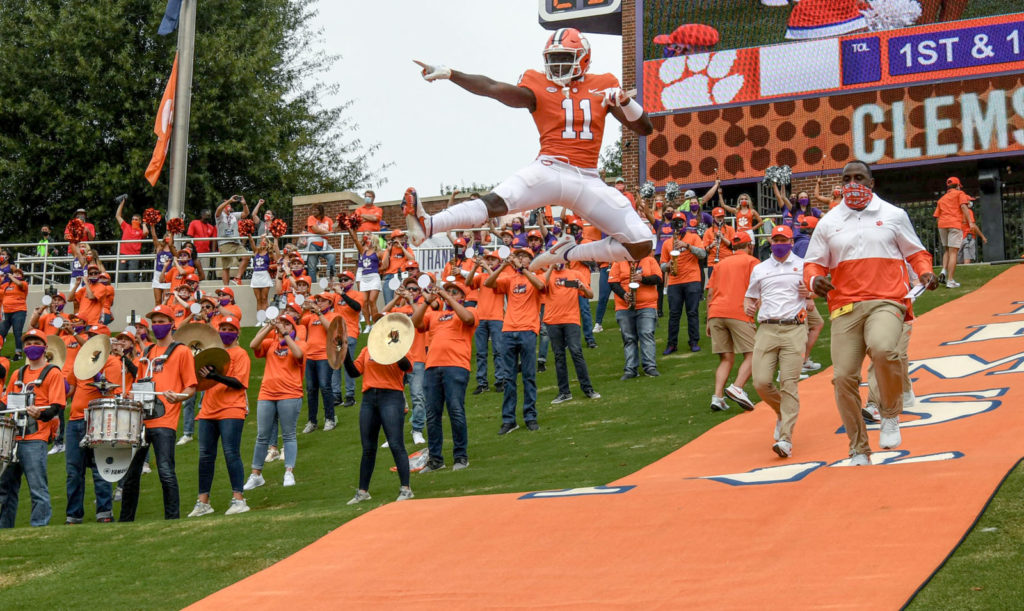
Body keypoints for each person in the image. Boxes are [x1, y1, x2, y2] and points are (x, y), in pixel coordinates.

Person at [408, 28, 654, 271]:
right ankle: (428, 225)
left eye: (564, 58)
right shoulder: (538, 83)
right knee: (496, 201)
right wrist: (452, 74)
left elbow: (645, 128)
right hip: (549, 168)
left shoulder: (604, 84)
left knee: (642, 244)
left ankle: (568, 252)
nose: (557, 65)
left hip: (588, 178)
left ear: (584, 58)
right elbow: (493, 87)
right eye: (553, 58)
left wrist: (624, 100)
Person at [804, 160, 937, 465]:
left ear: (872, 183)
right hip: (845, 306)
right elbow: (813, 263)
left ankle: (889, 413)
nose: (853, 184)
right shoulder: (829, 221)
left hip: (887, 300)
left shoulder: (893, 215)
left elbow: (916, 253)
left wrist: (925, 272)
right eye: (847, 179)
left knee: (883, 349)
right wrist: (814, 280)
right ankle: (858, 447)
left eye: (859, 178)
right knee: (843, 378)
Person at [118, 306, 196, 522]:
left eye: (162, 321)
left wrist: (179, 397)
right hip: (142, 421)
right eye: (155, 321)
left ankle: (172, 519)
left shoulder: (181, 351)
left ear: (172, 323)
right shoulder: (147, 353)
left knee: (165, 471)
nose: (157, 325)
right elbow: (139, 383)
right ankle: (125, 521)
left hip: (165, 420)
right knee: (131, 475)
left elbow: (191, 386)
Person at [744, 226, 809, 458]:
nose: (779, 243)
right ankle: (782, 412)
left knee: (789, 384)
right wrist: (748, 307)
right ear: (770, 242)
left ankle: (786, 439)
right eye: (776, 240)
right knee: (761, 382)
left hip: (794, 328)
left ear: (791, 242)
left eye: (784, 239)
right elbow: (750, 296)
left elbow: (815, 293)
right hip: (767, 328)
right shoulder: (760, 269)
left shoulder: (802, 266)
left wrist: (808, 292)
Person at [65, 325, 135, 523]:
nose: (92, 340)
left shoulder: (112, 362)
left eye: (96, 337)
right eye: (90, 337)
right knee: (73, 470)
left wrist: (97, 376)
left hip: (99, 419)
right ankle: (73, 514)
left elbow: (111, 391)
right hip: (75, 419)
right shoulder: (81, 361)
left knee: (99, 467)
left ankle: (104, 512)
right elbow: (69, 389)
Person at [0, 329, 66, 528]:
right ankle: (5, 528)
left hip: (35, 438)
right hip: (12, 439)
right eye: (27, 343)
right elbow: (5, 403)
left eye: (35, 342)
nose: (31, 347)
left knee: (37, 488)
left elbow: (57, 406)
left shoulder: (53, 372)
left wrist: (40, 414)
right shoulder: (18, 374)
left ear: (45, 347)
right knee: (5, 488)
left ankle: (39, 526)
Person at [187, 316, 252, 517]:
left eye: (229, 328)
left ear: (237, 333)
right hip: (208, 408)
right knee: (205, 456)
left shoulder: (240, 354)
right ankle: (203, 501)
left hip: (232, 407)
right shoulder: (212, 354)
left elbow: (238, 383)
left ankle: (239, 499)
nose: (226, 331)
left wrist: (215, 376)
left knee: (231, 452)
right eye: (222, 327)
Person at [412, 279, 477, 472]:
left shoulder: (471, 310)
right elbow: (416, 323)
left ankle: (461, 456)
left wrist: (447, 297)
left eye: (455, 292)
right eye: (448, 291)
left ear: (463, 297)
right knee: (432, 415)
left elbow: (467, 319)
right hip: (432, 366)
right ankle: (436, 460)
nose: (449, 294)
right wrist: (425, 302)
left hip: (456, 366)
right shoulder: (435, 314)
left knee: (456, 410)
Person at [343, 342, 415, 505]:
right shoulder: (367, 349)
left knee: (396, 444)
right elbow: (354, 372)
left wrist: (395, 348)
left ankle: (406, 488)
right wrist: (345, 352)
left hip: (391, 396)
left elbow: (407, 366)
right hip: (369, 398)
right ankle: (362, 491)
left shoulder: (401, 347)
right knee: (368, 447)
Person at [485, 248, 545, 434]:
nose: (520, 259)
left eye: (524, 256)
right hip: (509, 330)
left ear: (530, 260)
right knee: (508, 378)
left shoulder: (537, 276)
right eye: (518, 256)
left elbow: (541, 287)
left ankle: (530, 416)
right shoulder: (510, 279)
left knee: (529, 376)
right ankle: (509, 420)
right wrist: (503, 266)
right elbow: (488, 283)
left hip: (528, 330)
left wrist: (523, 269)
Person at [245, 313, 306, 489]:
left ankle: (289, 472)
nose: (283, 326)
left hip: (290, 393)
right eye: (282, 323)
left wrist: (285, 334)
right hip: (267, 394)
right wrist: (269, 327)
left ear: (293, 328)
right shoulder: (271, 343)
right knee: (262, 436)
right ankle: (256, 474)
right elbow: (253, 344)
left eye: (288, 324)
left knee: (289, 434)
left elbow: (298, 354)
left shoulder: (300, 343)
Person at [706, 233, 759, 411]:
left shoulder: (720, 264)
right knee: (754, 353)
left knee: (726, 358)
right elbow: (761, 287)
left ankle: (718, 397)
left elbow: (710, 293)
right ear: (749, 245)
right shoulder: (752, 262)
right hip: (738, 311)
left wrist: (708, 319)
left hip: (716, 312)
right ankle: (737, 387)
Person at [543, 263, 599, 404]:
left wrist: (582, 287)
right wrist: (549, 269)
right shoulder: (547, 275)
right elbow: (540, 287)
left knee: (576, 352)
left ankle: (588, 389)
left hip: (571, 319)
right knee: (558, 356)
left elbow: (590, 294)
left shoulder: (575, 274)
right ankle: (564, 392)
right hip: (552, 320)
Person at [383, 277, 429, 445]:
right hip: (397, 358)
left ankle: (417, 430)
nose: (411, 291)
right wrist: (396, 297)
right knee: (394, 399)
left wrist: (412, 301)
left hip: (416, 358)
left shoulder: (423, 306)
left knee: (418, 397)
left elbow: (420, 321)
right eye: (408, 288)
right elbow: (380, 315)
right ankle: (393, 434)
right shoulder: (397, 308)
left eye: (414, 289)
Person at [608, 253, 662, 379]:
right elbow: (613, 282)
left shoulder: (649, 260)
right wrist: (624, 295)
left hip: (647, 304)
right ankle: (630, 369)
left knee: (646, 334)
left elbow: (658, 279)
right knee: (628, 338)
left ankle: (650, 367)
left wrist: (642, 278)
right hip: (624, 306)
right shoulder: (619, 260)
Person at [661, 217, 706, 354]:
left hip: (692, 279)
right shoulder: (667, 243)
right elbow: (662, 265)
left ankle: (694, 341)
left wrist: (687, 246)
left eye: (681, 222)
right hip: (674, 281)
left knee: (692, 312)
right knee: (674, 314)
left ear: (685, 224)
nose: (678, 225)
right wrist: (668, 265)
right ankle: (671, 344)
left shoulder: (693, 237)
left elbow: (703, 254)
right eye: (675, 222)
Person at [468, 250, 508, 394]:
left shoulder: (503, 275)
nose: (489, 261)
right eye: (488, 259)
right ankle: (482, 382)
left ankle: (500, 380)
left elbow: (495, 282)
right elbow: (468, 283)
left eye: (493, 259)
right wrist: (474, 267)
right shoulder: (481, 276)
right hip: (481, 317)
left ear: (499, 262)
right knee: (481, 353)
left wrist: (487, 267)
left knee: (498, 351)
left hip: (497, 317)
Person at [300, 292, 340, 433]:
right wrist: (304, 307)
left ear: (330, 303)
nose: (319, 303)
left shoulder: (333, 316)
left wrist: (319, 314)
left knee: (325, 387)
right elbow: (297, 321)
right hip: (310, 356)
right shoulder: (310, 317)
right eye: (318, 300)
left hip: (324, 355)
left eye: (323, 301)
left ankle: (330, 418)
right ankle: (312, 421)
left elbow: (331, 329)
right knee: (311, 390)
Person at [934, 177, 974, 288]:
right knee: (953, 252)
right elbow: (964, 207)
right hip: (954, 224)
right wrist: (970, 222)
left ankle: (943, 271)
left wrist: (941, 226)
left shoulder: (941, 199)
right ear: (957, 186)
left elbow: (937, 215)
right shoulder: (959, 194)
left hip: (942, 225)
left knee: (946, 250)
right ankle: (950, 280)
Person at [332, 271, 364, 407]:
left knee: (348, 365)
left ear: (352, 281)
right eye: (341, 280)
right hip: (336, 334)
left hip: (350, 333)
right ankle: (336, 396)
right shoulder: (335, 296)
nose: (342, 282)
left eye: (345, 280)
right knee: (335, 365)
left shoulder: (358, 294)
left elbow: (357, 307)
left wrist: (342, 294)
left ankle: (350, 395)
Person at [346, 225, 382, 328]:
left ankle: (375, 324)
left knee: (372, 301)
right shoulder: (363, 251)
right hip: (364, 278)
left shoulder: (379, 253)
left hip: (374, 277)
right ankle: (367, 325)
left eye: (369, 239)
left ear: (374, 241)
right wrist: (350, 230)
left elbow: (384, 265)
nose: (367, 240)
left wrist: (378, 269)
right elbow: (356, 240)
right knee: (364, 301)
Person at [215, 195, 251, 285]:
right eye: (226, 204)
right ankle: (226, 288)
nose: (229, 205)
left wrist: (244, 204)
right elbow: (218, 210)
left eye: (229, 204)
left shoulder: (234, 215)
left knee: (246, 257)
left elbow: (246, 213)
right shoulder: (219, 215)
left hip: (236, 242)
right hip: (225, 243)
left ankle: (237, 278)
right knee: (226, 267)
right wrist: (229, 201)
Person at [115, 198, 148, 283]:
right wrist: (122, 203)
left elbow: (146, 232)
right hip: (123, 255)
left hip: (134, 256)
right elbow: (118, 216)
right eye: (133, 219)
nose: (134, 221)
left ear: (139, 221)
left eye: (136, 219)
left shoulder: (140, 231)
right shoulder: (126, 227)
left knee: (132, 277)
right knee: (120, 277)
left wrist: (144, 223)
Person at [0, 266, 29, 360]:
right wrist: (2, 278)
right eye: (15, 273)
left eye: (18, 273)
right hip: (6, 312)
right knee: (1, 332)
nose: (16, 274)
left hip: (19, 311)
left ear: (22, 276)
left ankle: (18, 353)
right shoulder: (6, 285)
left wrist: (11, 276)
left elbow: (19, 283)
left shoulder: (23, 283)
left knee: (17, 332)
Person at [380, 230, 415, 305]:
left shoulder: (406, 248)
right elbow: (384, 265)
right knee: (388, 302)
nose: (402, 238)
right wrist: (388, 250)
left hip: (402, 276)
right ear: (394, 239)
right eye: (399, 237)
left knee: (402, 302)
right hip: (390, 276)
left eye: (402, 236)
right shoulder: (389, 249)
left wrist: (402, 247)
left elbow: (412, 260)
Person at [247, 234, 277, 315]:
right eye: (261, 241)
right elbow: (252, 242)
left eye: (264, 242)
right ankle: (260, 320)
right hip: (256, 276)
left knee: (264, 298)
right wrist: (250, 236)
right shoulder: (256, 251)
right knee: (258, 299)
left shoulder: (270, 253)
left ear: (267, 243)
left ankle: (265, 318)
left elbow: (278, 262)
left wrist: (270, 266)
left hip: (265, 275)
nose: (262, 243)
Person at [305, 204, 335, 283]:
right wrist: (328, 232)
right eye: (313, 210)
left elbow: (333, 231)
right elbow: (316, 230)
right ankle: (313, 284)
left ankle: (330, 278)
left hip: (324, 244)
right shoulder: (311, 218)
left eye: (316, 210)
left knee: (332, 256)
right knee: (312, 265)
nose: (313, 212)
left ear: (321, 210)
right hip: (313, 244)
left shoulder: (328, 220)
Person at [148, 224, 175, 305]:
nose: (168, 237)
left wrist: (173, 232)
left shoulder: (173, 249)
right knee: (157, 300)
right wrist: (152, 226)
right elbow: (154, 236)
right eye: (167, 235)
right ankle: (157, 314)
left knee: (165, 300)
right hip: (157, 274)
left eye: (170, 236)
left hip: (167, 275)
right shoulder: (159, 247)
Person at [187, 209, 218, 280]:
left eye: (209, 215)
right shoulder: (194, 223)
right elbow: (190, 237)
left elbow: (213, 241)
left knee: (204, 273)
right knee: (193, 272)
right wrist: (189, 251)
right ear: (202, 215)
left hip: (206, 253)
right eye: (207, 215)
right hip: (195, 253)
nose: (208, 216)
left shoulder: (211, 227)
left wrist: (213, 254)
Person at [959, 200, 987, 264]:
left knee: (959, 258)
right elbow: (973, 225)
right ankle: (966, 271)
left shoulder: (958, 212)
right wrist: (983, 237)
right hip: (968, 237)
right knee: (967, 256)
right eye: (969, 201)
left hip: (959, 237)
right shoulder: (968, 211)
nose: (971, 202)